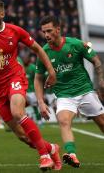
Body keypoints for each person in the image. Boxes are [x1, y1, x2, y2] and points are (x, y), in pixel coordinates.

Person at [0, 0, 61, 171]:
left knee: (18, 112)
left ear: (2, 14)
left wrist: (51, 71)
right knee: (23, 137)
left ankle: (44, 156)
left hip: (15, 77)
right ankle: (52, 148)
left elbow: (38, 49)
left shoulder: (15, 31)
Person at [35, 15, 104, 168]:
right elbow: (38, 77)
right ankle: (71, 154)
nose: (46, 35)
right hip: (64, 95)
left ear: (58, 29)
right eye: (43, 32)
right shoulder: (43, 52)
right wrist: (41, 102)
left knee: (102, 123)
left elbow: (96, 60)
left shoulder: (77, 44)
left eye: (49, 31)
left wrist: (101, 81)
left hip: (85, 90)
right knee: (63, 120)